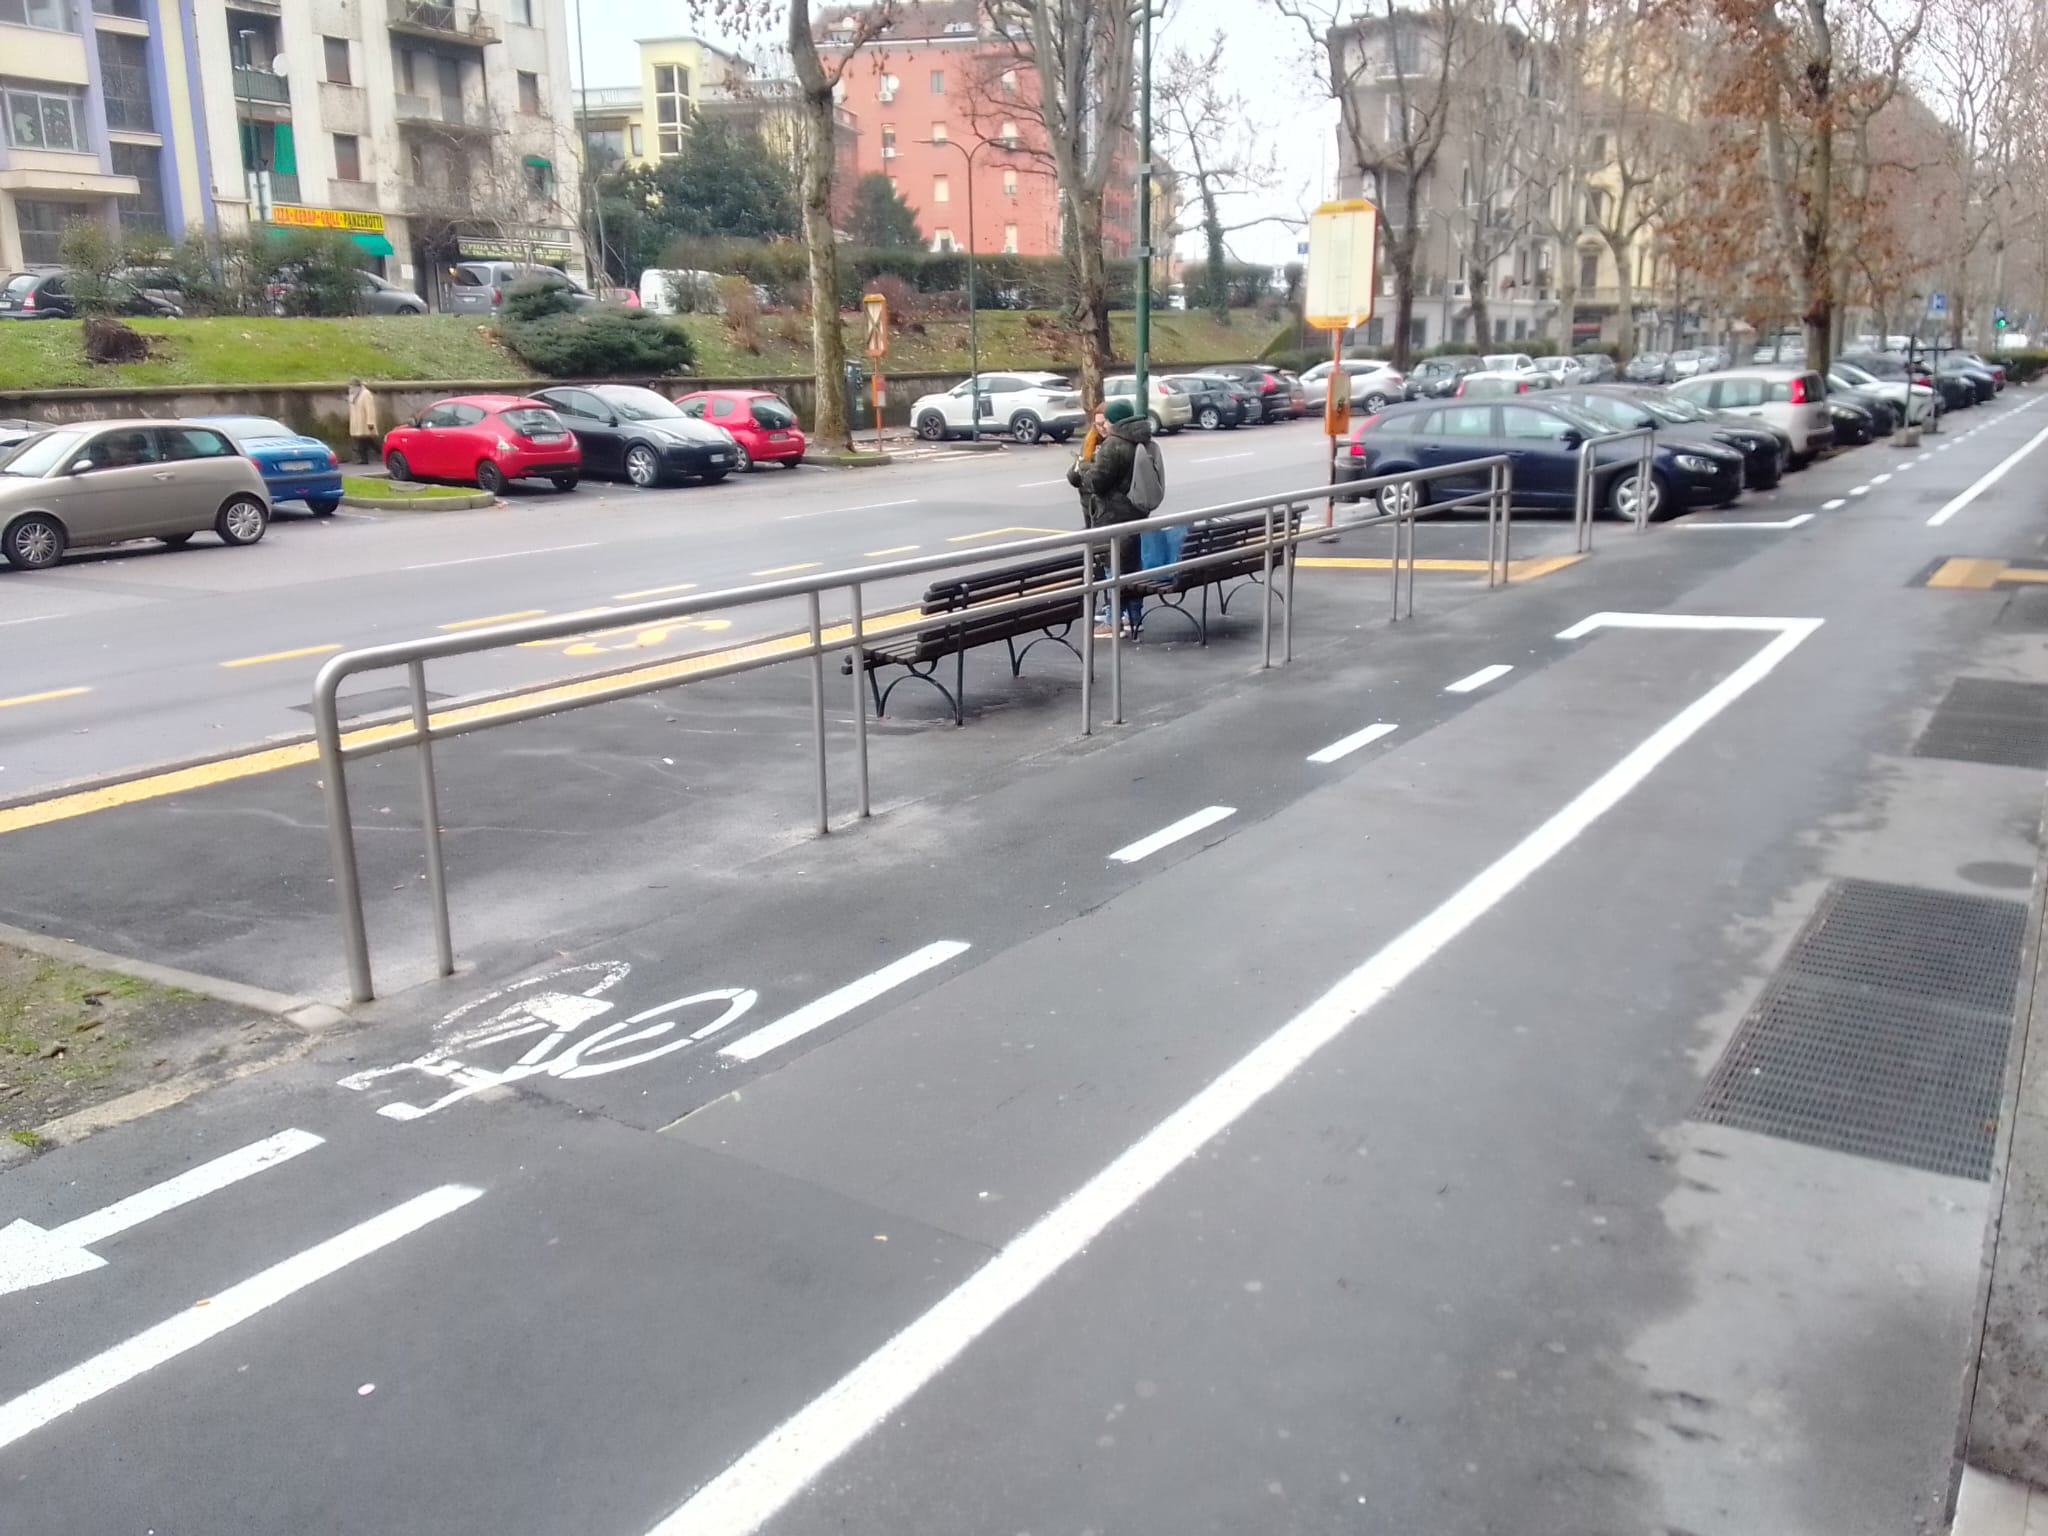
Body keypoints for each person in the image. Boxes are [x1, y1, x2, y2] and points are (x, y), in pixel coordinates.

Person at [1067, 396, 1153, 638]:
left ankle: (1113, 621)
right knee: (1131, 569)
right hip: (1134, 514)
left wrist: (1084, 467)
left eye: (1106, 422)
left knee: (1111, 571)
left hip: (1111, 517)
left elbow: (1096, 481)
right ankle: (1134, 618)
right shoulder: (1141, 439)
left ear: (1115, 421)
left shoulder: (1114, 445)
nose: (1102, 427)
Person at [347, 379, 380, 466]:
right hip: (357, 422)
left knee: (366, 441)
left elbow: (370, 409)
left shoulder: (366, 394)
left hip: (364, 422)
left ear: (357, 386)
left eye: (352, 386)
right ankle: (366, 457)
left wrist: (370, 422)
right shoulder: (352, 395)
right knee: (363, 441)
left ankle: (367, 457)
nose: (351, 388)